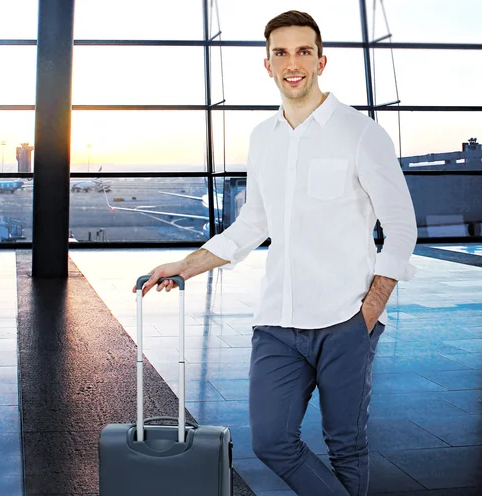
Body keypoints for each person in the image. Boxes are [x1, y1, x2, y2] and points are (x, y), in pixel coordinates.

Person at [134, 10, 417, 496]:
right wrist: (185, 265)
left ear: (321, 61)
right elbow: (253, 224)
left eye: (303, 51)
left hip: (344, 318)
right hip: (278, 323)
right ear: (267, 65)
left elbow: (401, 226)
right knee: (271, 440)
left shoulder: (361, 133)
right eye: (280, 53)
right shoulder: (261, 139)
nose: (293, 63)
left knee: (345, 445)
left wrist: (368, 311)